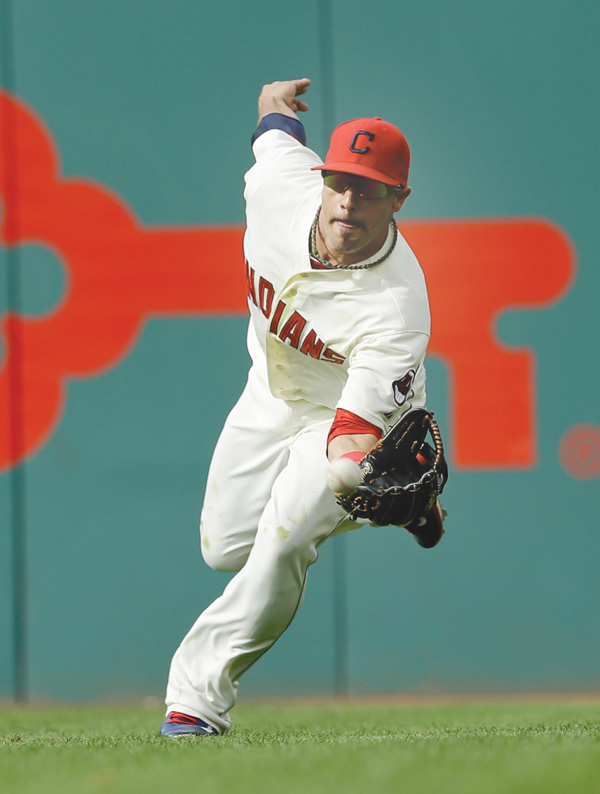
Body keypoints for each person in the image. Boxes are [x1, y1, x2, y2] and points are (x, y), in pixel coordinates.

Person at [160, 77, 445, 737]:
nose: (347, 200)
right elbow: (274, 136)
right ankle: (411, 503)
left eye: (368, 187)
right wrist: (271, 103)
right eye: (339, 180)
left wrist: (353, 472)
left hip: (347, 421)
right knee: (225, 546)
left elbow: (349, 435)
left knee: (294, 524)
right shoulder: (277, 192)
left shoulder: (396, 308)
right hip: (268, 394)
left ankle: (195, 700)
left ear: (399, 198)